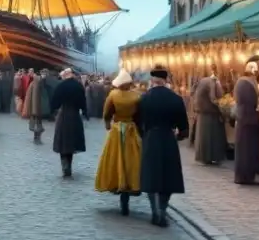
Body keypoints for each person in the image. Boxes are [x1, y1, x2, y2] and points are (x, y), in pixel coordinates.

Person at [138, 67, 190, 227]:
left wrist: (144, 136)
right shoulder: (176, 99)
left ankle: (155, 211)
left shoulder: (145, 98)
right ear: (166, 80)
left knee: (151, 176)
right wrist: (180, 136)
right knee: (168, 177)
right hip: (168, 138)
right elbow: (184, 127)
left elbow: (138, 122)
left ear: (153, 80)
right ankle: (163, 208)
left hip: (151, 138)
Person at [94, 69, 142, 215]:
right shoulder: (136, 96)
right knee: (131, 161)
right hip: (131, 130)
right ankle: (129, 187)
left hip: (117, 131)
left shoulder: (113, 95)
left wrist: (108, 124)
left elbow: (106, 113)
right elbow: (139, 115)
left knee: (115, 159)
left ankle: (117, 184)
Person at [233, 57, 259, 186]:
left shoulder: (242, 82)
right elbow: (252, 104)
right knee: (247, 148)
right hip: (248, 119)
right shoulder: (247, 83)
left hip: (244, 119)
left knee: (244, 148)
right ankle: (245, 176)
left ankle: (245, 175)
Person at [51, 68, 88, 178]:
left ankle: (65, 166)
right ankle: (69, 165)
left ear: (65, 75)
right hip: (75, 116)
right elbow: (83, 102)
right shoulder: (78, 86)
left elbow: (54, 102)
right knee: (72, 143)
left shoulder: (61, 86)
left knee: (63, 142)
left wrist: (52, 111)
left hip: (63, 115)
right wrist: (85, 113)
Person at [193, 66, 226, 166]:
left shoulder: (203, 81)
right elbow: (213, 98)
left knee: (204, 136)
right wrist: (222, 105)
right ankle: (211, 156)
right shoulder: (211, 81)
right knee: (212, 136)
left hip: (203, 112)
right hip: (210, 112)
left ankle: (205, 157)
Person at [24, 70, 51, 143]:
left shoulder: (36, 82)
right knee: (37, 124)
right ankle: (37, 139)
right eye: (44, 74)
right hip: (37, 108)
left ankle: (36, 138)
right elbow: (36, 97)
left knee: (37, 123)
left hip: (37, 108)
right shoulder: (38, 83)